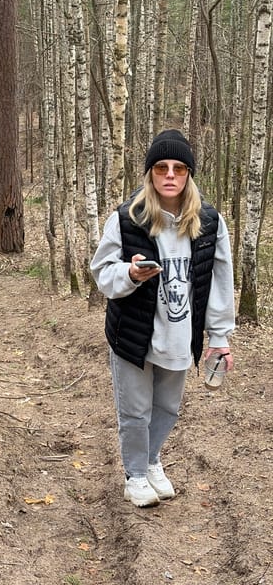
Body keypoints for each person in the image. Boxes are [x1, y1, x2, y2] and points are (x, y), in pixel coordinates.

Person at [90, 129, 235, 507]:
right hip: (134, 333)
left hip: (180, 332)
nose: (169, 175)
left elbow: (220, 282)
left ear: (189, 174)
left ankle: (152, 461)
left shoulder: (209, 223)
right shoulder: (127, 219)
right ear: (150, 173)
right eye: (161, 167)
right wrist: (130, 274)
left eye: (179, 168)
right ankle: (135, 475)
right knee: (135, 411)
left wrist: (219, 338)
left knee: (168, 407)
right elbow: (102, 273)